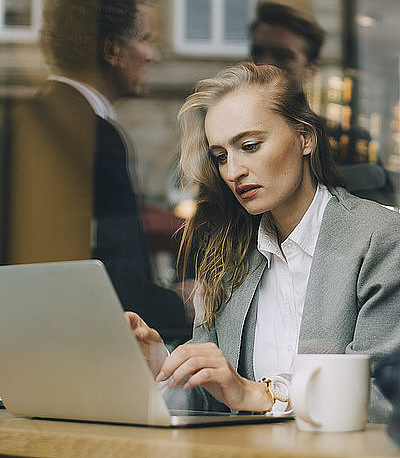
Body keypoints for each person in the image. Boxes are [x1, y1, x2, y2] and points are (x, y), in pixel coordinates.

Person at [127, 62, 400, 423]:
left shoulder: (380, 239)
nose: (233, 171)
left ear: (305, 138)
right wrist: (163, 367)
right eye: (221, 156)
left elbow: (386, 395)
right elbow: (217, 402)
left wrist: (260, 392)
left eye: (250, 146)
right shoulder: (229, 258)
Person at [5, 0, 188, 341]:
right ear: (112, 50)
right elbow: (107, 277)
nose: (152, 55)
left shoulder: (21, 123)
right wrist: (180, 304)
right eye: (145, 38)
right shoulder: (93, 136)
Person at [248, 0, 396, 205]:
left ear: (311, 71)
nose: (264, 65)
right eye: (257, 53)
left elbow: (379, 214)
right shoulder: (224, 137)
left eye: (282, 56)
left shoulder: (346, 141)